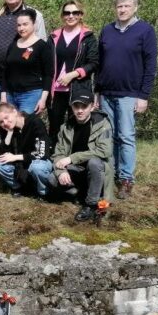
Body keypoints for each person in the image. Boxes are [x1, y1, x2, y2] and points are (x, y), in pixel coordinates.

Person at [96, 0, 158, 200]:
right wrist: (97, 91)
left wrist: (144, 95)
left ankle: (126, 179)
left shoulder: (145, 31)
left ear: (135, 8)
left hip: (129, 93)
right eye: (119, 6)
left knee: (126, 136)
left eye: (126, 6)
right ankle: (110, 174)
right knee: (109, 136)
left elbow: (151, 65)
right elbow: (100, 63)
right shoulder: (107, 30)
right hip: (106, 92)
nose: (122, 10)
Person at [46, 85, 115, 221]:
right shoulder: (66, 127)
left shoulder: (103, 124)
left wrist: (72, 158)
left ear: (91, 106)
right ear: (71, 107)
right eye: (76, 106)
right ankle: (80, 193)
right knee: (52, 179)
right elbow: (58, 154)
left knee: (94, 162)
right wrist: (62, 172)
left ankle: (90, 204)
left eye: (84, 107)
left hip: (96, 170)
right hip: (76, 169)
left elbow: (104, 151)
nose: (80, 111)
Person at [0, 0, 47, 109]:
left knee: (23, 121)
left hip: (23, 80)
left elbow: (42, 47)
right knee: (2, 119)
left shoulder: (35, 15)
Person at [48, 0, 99, 141]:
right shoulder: (54, 36)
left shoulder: (88, 37)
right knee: (55, 126)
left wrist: (73, 74)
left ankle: (76, 159)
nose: (70, 16)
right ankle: (53, 157)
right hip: (56, 91)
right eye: (67, 13)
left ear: (81, 15)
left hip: (78, 89)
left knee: (78, 126)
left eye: (74, 12)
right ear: (62, 16)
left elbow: (93, 63)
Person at [0, 102, 52, 197]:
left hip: (38, 161)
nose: (5, 123)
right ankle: (17, 188)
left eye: (6, 118)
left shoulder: (35, 123)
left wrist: (16, 157)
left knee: (38, 167)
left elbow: (42, 153)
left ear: (15, 112)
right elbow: (1, 155)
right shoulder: (9, 129)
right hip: (21, 166)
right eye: (1, 122)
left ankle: (43, 193)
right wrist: (9, 134)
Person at [0, 8, 54, 115]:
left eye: (25, 24)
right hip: (10, 95)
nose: (21, 28)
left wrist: (43, 99)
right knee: (10, 127)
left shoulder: (42, 46)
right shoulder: (13, 45)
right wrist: (3, 95)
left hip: (31, 95)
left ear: (34, 24)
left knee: (25, 127)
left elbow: (48, 75)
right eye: (19, 25)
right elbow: (6, 72)